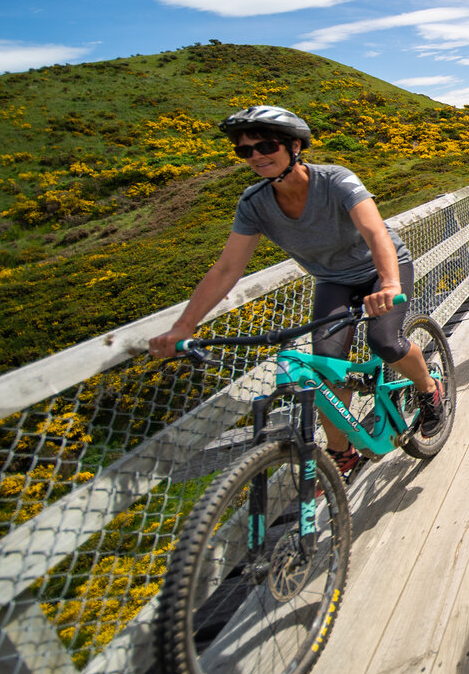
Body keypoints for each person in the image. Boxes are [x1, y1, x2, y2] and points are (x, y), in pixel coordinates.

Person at [148, 105, 447, 481]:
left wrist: (388, 284)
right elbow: (227, 269)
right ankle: (342, 451)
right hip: (333, 279)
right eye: (245, 151)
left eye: (266, 146)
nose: (256, 157)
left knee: (384, 340)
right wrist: (184, 326)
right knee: (324, 362)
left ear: (294, 146)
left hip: (380, 267)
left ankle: (428, 388)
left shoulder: (336, 180)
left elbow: (376, 234)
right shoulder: (254, 203)